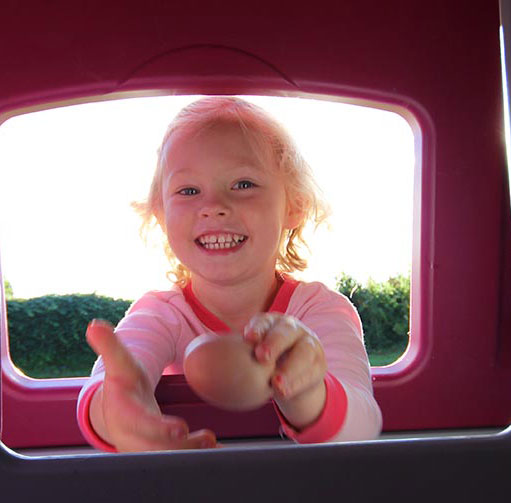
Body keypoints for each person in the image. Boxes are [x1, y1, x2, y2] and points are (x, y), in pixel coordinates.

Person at [76, 97, 382, 452]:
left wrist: (308, 388)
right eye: (188, 190)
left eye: (243, 184)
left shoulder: (319, 310)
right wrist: (120, 411)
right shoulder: (159, 314)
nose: (214, 207)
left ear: (294, 205)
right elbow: (116, 378)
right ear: (161, 215)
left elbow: (362, 426)